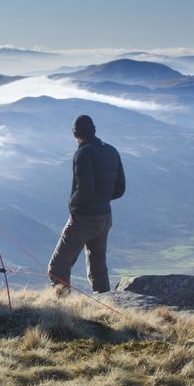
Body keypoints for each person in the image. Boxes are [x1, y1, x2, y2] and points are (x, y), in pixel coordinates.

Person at [47, 114, 126, 294]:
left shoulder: (82, 154)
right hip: (105, 216)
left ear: (76, 135)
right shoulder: (112, 151)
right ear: (93, 131)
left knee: (57, 267)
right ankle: (106, 303)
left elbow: (84, 191)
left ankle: (63, 313)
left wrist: (72, 204)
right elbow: (120, 189)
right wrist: (102, 199)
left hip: (84, 218)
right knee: (98, 267)